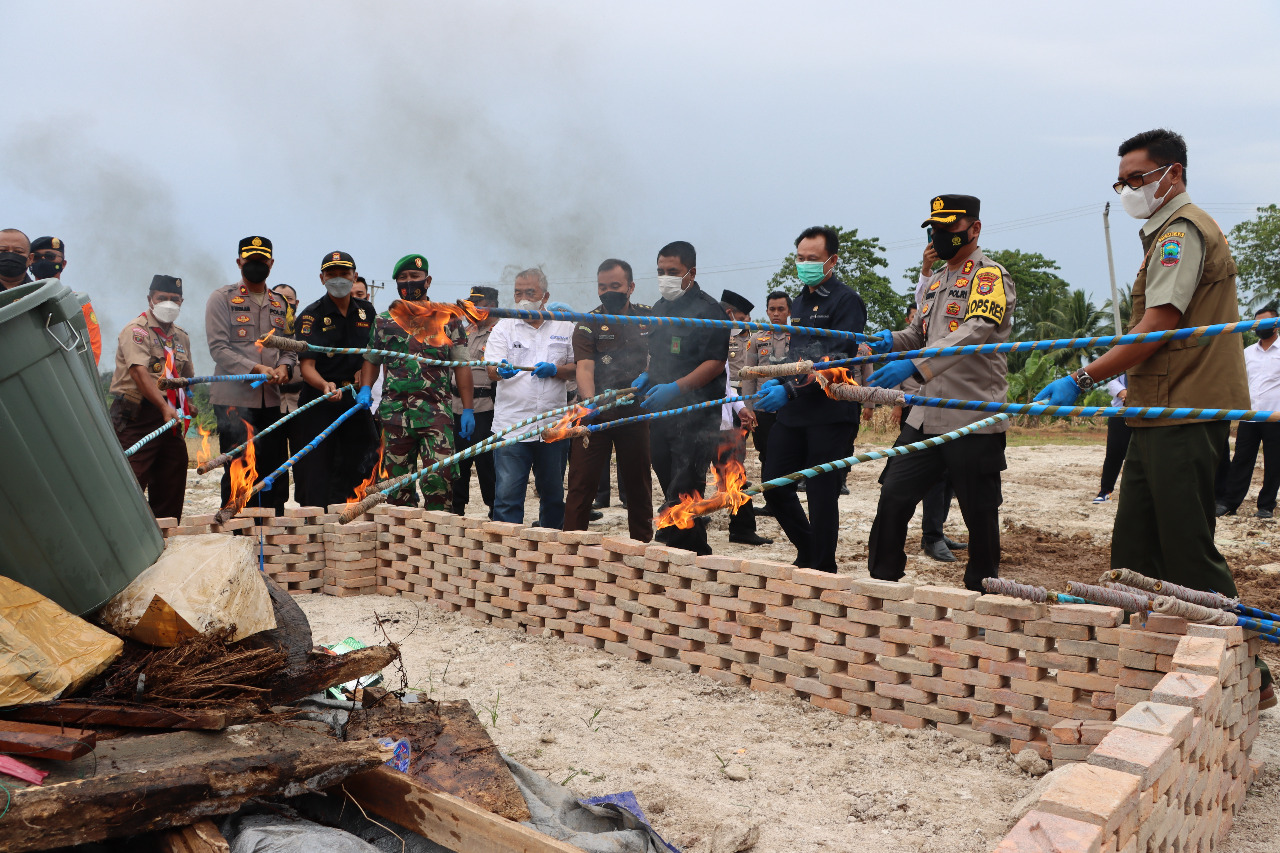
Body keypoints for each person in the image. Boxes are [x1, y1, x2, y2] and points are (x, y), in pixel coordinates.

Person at [1033, 129, 1272, 708]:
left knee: (1188, 552)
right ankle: (1142, 669)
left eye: (1137, 178)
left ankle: (1252, 676)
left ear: (1173, 173)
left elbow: (1159, 323)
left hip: (1186, 412)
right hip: (1154, 412)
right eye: (1121, 181)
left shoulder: (1182, 232)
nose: (1128, 189)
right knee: (1133, 551)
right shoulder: (1162, 233)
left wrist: (1082, 378)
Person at [865, 196, 1016, 590]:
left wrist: (916, 365)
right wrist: (890, 341)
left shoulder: (989, 276)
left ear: (974, 229)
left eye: (949, 228)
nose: (940, 236)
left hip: (972, 419)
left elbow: (975, 330)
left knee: (979, 513)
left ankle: (982, 592)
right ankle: (882, 583)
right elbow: (919, 334)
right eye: (935, 229)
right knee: (893, 496)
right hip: (924, 416)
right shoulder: (933, 282)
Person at [753, 227, 866, 571]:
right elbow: (799, 356)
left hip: (831, 412)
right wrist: (782, 384)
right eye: (800, 259)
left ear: (831, 260)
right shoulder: (798, 302)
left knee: (820, 494)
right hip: (795, 409)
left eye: (812, 259)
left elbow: (837, 362)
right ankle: (809, 547)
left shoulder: (847, 302)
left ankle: (822, 566)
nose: (805, 265)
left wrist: (789, 389)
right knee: (774, 485)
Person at [634, 241, 730, 555]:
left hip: (697, 412)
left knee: (686, 481)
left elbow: (715, 362)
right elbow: (655, 353)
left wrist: (677, 387)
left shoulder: (710, 311)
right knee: (667, 474)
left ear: (691, 272)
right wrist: (648, 374)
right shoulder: (659, 308)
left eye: (672, 272)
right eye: (660, 271)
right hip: (662, 411)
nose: (665, 278)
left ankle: (675, 545)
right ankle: (696, 548)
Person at [360, 254, 474, 510]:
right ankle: (401, 544)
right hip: (394, 415)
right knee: (395, 488)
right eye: (403, 278)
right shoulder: (383, 321)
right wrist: (365, 388)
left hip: (436, 414)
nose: (409, 282)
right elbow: (371, 360)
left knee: (439, 482)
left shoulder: (449, 319)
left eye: (414, 277)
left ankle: (437, 542)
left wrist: (467, 408)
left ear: (428, 281)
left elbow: (462, 366)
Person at [563, 259, 654, 540]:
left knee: (638, 484)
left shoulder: (649, 318)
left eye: (615, 286)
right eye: (602, 287)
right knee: (581, 482)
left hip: (636, 412)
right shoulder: (588, 322)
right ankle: (572, 546)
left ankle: (642, 546)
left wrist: (651, 375)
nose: (608, 292)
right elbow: (585, 367)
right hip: (596, 414)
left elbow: (661, 355)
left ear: (631, 287)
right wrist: (589, 403)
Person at [204, 236, 296, 515]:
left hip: (271, 402)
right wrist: (255, 368)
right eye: (250, 261)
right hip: (235, 401)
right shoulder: (222, 299)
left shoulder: (281, 304)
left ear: (271, 263)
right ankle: (238, 532)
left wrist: (284, 367)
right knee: (239, 468)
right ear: (239, 262)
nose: (256, 265)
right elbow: (218, 348)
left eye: (261, 261)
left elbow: (290, 347)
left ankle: (273, 531)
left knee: (274, 469)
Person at [484, 268, 576, 527]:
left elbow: (578, 366)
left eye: (530, 292)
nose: (523, 298)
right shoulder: (503, 327)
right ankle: (508, 556)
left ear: (545, 296)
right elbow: (491, 371)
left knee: (553, 497)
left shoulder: (564, 326)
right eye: (518, 293)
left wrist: (556, 370)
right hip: (512, 428)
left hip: (553, 428)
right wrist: (500, 369)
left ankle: (550, 554)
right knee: (507, 498)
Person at [293, 251, 381, 508]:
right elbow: (307, 365)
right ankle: (316, 528)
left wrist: (364, 382)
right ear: (322, 278)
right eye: (332, 274)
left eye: (344, 273)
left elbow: (370, 357)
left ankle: (355, 521)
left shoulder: (367, 311)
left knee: (361, 463)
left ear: (354, 276)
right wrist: (323, 385)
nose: (339, 279)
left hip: (356, 400)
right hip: (320, 400)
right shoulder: (311, 316)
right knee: (317, 469)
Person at [108, 274, 195, 520]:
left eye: (174, 299)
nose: (169, 303)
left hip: (171, 418)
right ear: (150, 299)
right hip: (136, 417)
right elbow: (139, 373)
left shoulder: (181, 337)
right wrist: (163, 406)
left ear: (181, 302)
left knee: (173, 474)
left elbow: (186, 378)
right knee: (130, 481)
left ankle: (165, 536)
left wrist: (188, 404)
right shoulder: (136, 331)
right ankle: (123, 538)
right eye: (162, 298)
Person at [904, 245, 967, 562]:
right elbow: (922, 300)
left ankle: (937, 530)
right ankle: (931, 536)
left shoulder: (975, 289)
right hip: (929, 395)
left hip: (965, 395)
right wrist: (926, 268)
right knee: (934, 473)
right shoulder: (930, 296)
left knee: (953, 475)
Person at [1217, 305, 1280, 518]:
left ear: (1276, 324)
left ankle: (1266, 505)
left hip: (1275, 416)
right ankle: (1229, 502)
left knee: (1274, 462)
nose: (1261, 327)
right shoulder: (1247, 353)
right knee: (1241, 459)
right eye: (1257, 324)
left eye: (1266, 323)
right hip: (1249, 415)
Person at [719, 288, 770, 545]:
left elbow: (725, 382)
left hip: (725, 414)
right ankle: (673, 526)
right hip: (697, 418)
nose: (747, 320)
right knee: (685, 474)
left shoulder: (743, 337)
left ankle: (742, 528)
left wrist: (740, 407)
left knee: (734, 472)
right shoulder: (710, 334)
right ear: (730, 313)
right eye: (742, 315)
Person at [452, 285, 500, 517]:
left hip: (485, 407)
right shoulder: (466, 329)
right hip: (456, 405)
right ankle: (456, 507)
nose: (472, 309)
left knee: (486, 461)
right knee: (457, 460)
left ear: (491, 305)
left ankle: (494, 507)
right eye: (470, 305)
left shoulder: (500, 332)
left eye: (477, 304)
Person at [29, 235, 102, 364]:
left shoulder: (78, 303)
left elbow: (92, 348)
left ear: (63, 264)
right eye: (37, 257)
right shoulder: (22, 301)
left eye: (50, 256)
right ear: (30, 261)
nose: (43, 260)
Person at [741, 290, 791, 476]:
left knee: (790, 452)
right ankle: (770, 498)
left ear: (789, 312)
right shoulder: (756, 338)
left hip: (789, 404)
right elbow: (749, 375)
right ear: (767, 312)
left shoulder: (797, 337)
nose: (776, 313)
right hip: (763, 408)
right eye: (772, 309)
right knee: (766, 453)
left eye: (781, 309)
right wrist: (749, 407)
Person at [1095, 374, 1130, 504]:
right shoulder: (1120, 354)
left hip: (1147, 410)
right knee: (1114, 453)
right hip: (1119, 411)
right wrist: (1123, 393)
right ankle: (1105, 491)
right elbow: (1111, 377)